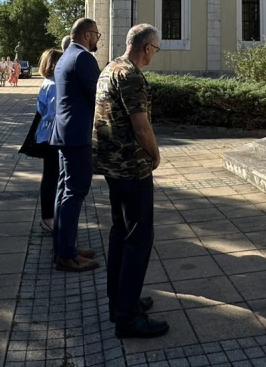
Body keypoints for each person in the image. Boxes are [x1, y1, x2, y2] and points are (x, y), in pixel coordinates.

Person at [94, 24, 166, 338]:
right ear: (147, 47)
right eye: (156, 48)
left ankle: (120, 301)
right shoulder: (132, 75)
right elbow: (142, 126)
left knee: (120, 233)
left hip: (111, 165)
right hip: (132, 168)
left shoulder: (109, 68)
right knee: (138, 239)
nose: (155, 54)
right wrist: (155, 154)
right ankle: (127, 318)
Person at [51, 18, 102, 272]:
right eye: (96, 35)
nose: (97, 39)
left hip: (66, 133)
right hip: (77, 135)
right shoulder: (83, 58)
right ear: (86, 34)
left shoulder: (66, 56)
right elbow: (99, 96)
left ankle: (63, 246)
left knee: (64, 192)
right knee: (74, 192)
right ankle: (66, 255)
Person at [25, 48, 62, 231]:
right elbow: (56, 113)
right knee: (51, 176)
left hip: (46, 134)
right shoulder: (55, 84)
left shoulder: (48, 81)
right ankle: (48, 217)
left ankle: (50, 215)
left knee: (51, 175)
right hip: (52, 135)